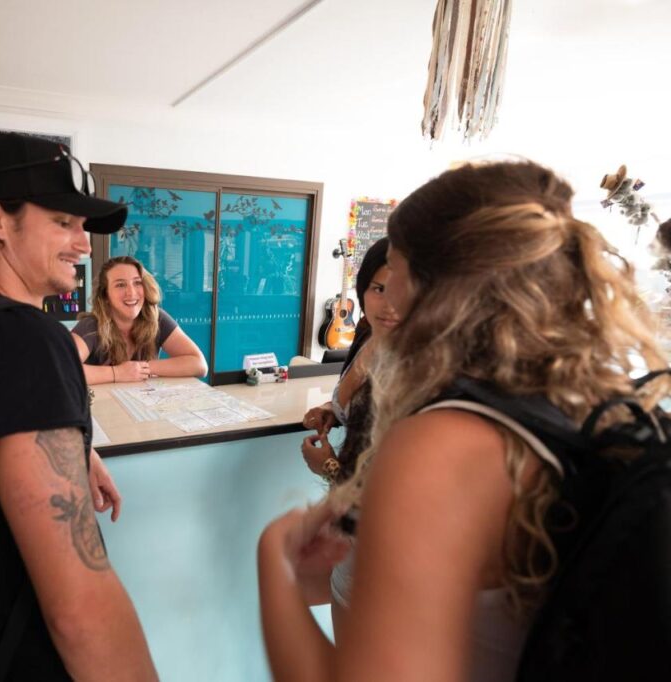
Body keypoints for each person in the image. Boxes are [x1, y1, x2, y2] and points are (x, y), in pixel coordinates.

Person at [258, 160, 669, 681]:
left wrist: (274, 561)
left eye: (396, 267)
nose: (387, 293)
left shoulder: (442, 445)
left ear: (434, 286)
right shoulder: (593, 397)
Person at [0, 132, 158, 681]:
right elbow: (79, 606)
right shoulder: (26, 339)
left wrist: (73, 447)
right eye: (63, 222)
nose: (83, 242)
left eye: (83, 226)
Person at [300, 238, 397, 482]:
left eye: (406, 291)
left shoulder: (420, 366)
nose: (390, 306)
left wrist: (330, 467)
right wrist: (333, 408)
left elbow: (401, 486)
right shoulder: (367, 330)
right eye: (379, 289)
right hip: (342, 509)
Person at [71, 255, 208, 384]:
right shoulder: (90, 326)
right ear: (105, 296)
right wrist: (117, 373)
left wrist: (141, 368)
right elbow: (61, 369)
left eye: (137, 283)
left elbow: (199, 364)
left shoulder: (156, 317)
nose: (131, 292)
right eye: (120, 285)